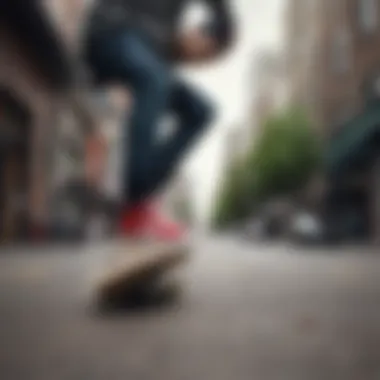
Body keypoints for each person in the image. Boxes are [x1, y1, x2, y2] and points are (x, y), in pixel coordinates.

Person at [84, 0, 235, 241]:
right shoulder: (159, 38)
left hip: (138, 54)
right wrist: (224, 24)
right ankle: (134, 204)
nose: (195, 61)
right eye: (202, 54)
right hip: (112, 30)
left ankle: (139, 203)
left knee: (201, 111)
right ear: (199, 33)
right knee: (155, 79)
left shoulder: (163, 49)